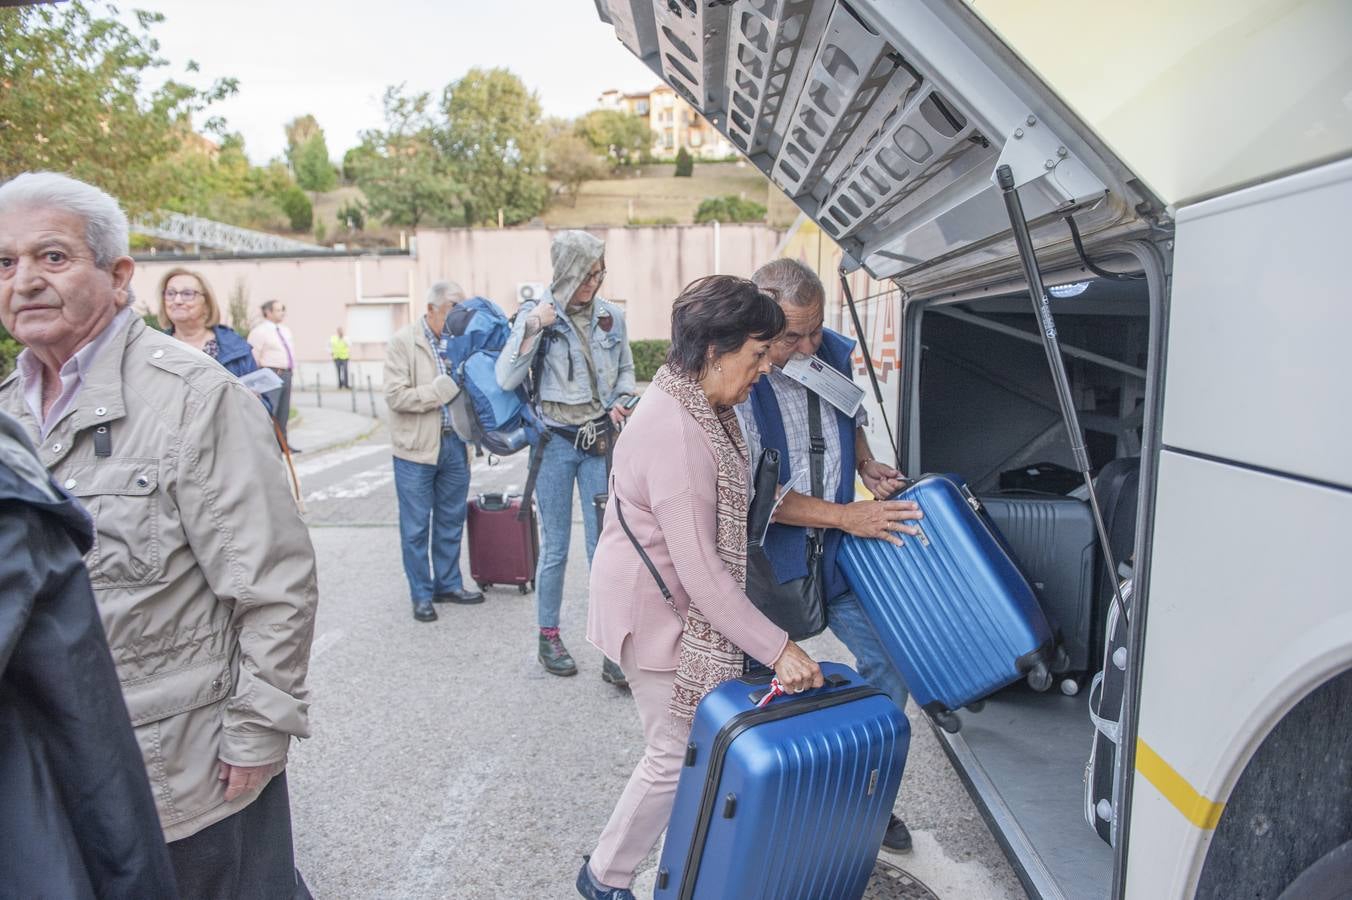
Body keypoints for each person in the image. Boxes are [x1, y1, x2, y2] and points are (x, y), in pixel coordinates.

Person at [0, 172, 319, 898]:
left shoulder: (196, 399)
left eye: (52, 258)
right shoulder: (6, 416)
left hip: (188, 774)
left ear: (118, 277)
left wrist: (259, 731)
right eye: (4, 263)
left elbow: (275, 582)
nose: (24, 281)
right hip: (59, 778)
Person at [578, 275, 824, 899]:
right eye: (755, 357)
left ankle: (684, 873)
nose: (763, 371)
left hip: (669, 600)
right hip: (656, 609)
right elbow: (704, 575)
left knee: (691, 755)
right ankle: (603, 879)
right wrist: (779, 648)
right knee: (674, 756)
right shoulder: (679, 433)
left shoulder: (699, 406)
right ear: (715, 352)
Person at [737, 257, 923, 852]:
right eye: (794, 334)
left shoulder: (831, 353)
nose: (808, 343)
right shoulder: (744, 374)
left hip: (840, 554)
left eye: (815, 328)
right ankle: (765, 816)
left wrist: (865, 463)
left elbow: (853, 414)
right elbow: (760, 499)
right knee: (758, 689)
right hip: (772, 563)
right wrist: (850, 515)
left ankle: (868, 801)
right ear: (761, 319)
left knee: (890, 661)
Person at [0, 410, 178, 898]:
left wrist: (261, 720)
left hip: (174, 728)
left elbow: (263, 570)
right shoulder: (13, 399)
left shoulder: (193, 391)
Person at [497, 230, 636, 683]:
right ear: (566, 272)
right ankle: (548, 636)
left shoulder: (611, 317)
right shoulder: (538, 316)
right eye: (586, 275)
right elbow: (505, 377)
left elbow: (627, 372)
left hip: (598, 443)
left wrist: (622, 399)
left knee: (604, 549)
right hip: (554, 446)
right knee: (556, 547)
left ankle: (611, 646)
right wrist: (533, 325)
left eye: (599, 274)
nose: (593, 283)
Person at [384, 281, 483, 622]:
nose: (460, 318)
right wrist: (438, 392)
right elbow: (396, 396)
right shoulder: (402, 342)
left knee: (451, 520)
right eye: (453, 310)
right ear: (431, 309)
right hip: (415, 450)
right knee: (415, 528)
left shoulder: (462, 342)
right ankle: (421, 594)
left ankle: (448, 584)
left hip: (455, 443)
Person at [157, 267, 259, 379]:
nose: (177, 301)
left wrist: (253, 396)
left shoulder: (235, 346)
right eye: (170, 293)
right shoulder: (156, 349)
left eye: (187, 294)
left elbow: (261, 392)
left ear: (206, 303)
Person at [248, 298, 299, 451]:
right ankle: (266, 446)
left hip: (286, 374)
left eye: (282, 309)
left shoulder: (285, 330)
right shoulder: (259, 331)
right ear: (268, 312)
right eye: (278, 310)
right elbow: (253, 355)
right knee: (270, 411)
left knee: (284, 411)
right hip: (270, 373)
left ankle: (283, 444)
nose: (282, 313)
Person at [330, 325, 351, 389]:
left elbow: (349, 344)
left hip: (345, 357)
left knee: (345, 370)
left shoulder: (346, 338)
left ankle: (346, 384)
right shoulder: (333, 338)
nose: (340, 332)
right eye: (339, 331)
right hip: (336, 357)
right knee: (338, 371)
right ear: (337, 331)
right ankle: (340, 385)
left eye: (341, 331)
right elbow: (329, 346)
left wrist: (343, 338)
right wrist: (331, 353)